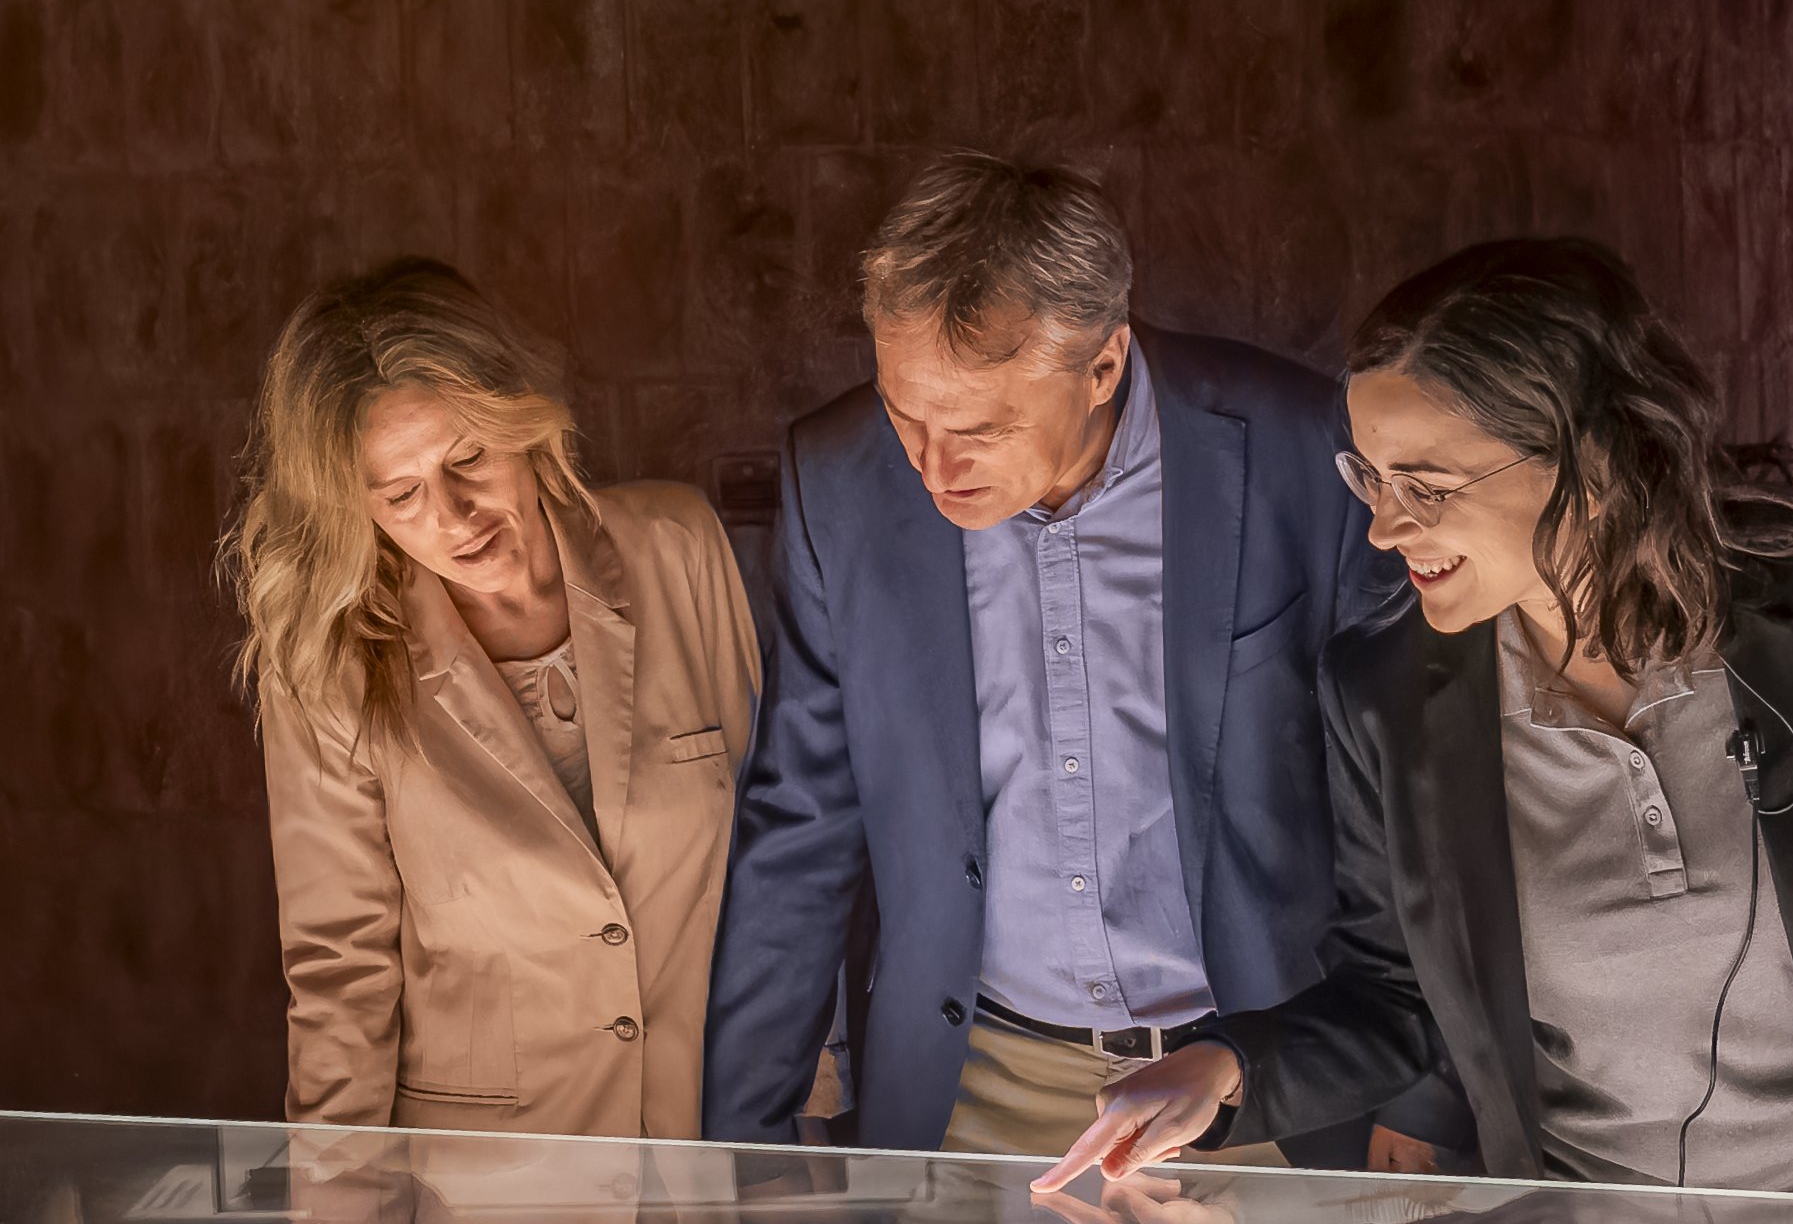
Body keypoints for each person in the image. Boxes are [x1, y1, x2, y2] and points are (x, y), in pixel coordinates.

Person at [1050, 240, 1793, 1207]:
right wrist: (1226, 1066)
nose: (1384, 530)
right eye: (1370, 479)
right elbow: (1402, 991)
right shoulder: (1384, 691)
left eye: (1428, 484)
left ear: (1593, 461)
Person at [703, 155, 1428, 1159]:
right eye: (904, 413)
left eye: (980, 427)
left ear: (1103, 364)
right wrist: (740, 1148)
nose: (931, 466)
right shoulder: (838, 482)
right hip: (974, 1084)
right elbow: (800, 829)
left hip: (1263, 1076)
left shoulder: (1310, 450)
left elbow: (1409, 801)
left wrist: (1422, 1094)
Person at [235, 260, 764, 1138]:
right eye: (400, 495)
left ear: (519, 418)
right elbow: (341, 978)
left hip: (707, 1165)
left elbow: (770, 862)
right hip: (493, 1209)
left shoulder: (678, 546)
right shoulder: (329, 668)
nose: (453, 513)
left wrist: (805, 1128)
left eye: (468, 457)